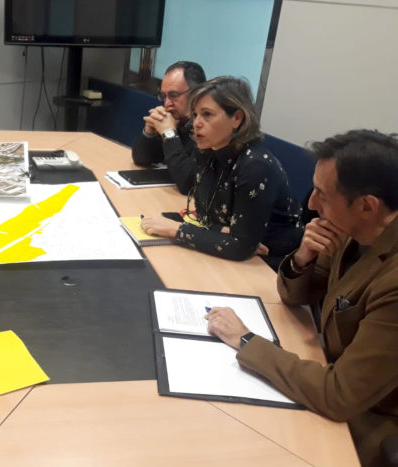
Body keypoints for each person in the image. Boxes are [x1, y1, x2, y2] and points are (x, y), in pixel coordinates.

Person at [205, 129, 398, 467]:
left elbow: (339, 395)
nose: (310, 205)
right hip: (330, 372)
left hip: (372, 417)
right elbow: (298, 295)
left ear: (367, 206)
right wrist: (303, 258)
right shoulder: (354, 230)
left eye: (322, 195)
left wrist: (246, 340)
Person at [141, 76, 303, 269]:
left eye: (207, 115)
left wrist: (177, 229)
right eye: (195, 115)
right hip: (233, 253)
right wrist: (223, 233)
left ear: (237, 118)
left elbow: (240, 248)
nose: (196, 123)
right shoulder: (208, 150)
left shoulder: (255, 166)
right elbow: (205, 217)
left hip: (269, 265)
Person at [131, 61, 206, 194]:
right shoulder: (176, 121)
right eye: (163, 96)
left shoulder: (206, 128)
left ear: (197, 94)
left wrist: (169, 134)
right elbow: (142, 160)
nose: (166, 104)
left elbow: (189, 184)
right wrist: (149, 133)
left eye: (173, 95)